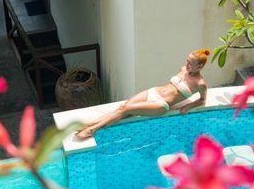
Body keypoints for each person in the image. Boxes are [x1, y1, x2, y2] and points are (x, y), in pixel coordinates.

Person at [76, 49, 210, 139]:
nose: (186, 65)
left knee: (126, 109)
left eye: (190, 63)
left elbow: (202, 101)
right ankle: (90, 124)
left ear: (200, 66)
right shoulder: (183, 69)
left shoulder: (200, 83)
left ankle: (92, 129)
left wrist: (187, 107)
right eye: (187, 61)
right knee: (124, 107)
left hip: (161, 105)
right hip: (154, 92)